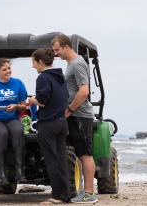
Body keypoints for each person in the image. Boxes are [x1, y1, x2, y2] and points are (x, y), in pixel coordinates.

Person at [51, 34, 98, 204]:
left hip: (80, 115)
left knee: (85, 153)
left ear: (66, 46)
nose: (56, 54)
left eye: (57, 50)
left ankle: (89, 194)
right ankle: (86, 192)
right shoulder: (71, 64)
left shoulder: (77, 63)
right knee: (80, 152)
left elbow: (84, 91)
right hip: (74, 115)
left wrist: (69, 110)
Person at [28, 48, 71, 204]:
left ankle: (56, 196)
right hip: (61, 122)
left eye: (33, 62)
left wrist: (33, 100)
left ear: (40, 62)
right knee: (61, 159)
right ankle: (65, 194)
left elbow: (43, 101)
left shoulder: (43, 78)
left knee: (51, 160)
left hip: (48, 123)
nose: (33, 66)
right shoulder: (60, 76)